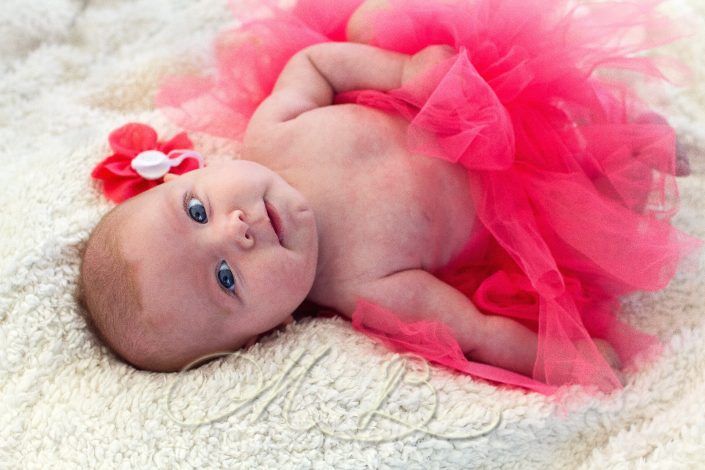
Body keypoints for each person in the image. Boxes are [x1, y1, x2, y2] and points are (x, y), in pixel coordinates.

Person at [78, 0, 701, 395]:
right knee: (603, 194)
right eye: (224, 278)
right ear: (262, 336)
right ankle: (634, 148)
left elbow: (317, 66)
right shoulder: (362, 286)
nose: (234, 230)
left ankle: (594, 122)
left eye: (196, 211)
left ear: (190, 177)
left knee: (375, 19)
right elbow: (476, 331)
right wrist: (556, 357)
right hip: (520, 193)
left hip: (463, 97)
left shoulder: (274, 134)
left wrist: (401, 75)